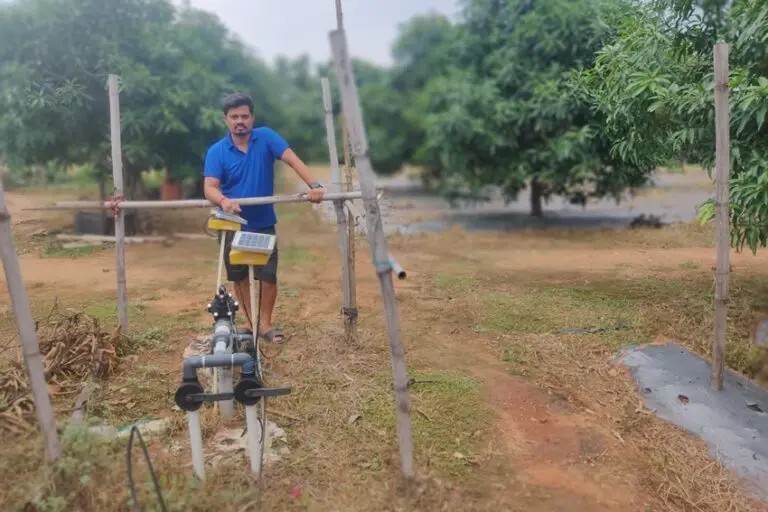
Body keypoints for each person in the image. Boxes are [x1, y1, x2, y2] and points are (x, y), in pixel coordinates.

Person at [203, 92, 325, 346]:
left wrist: (314, 185)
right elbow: (210, 188)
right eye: (234, 117)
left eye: (244, 116)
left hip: (263, 221)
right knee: (239, 277)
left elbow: (292, 159)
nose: (240, 121)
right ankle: (250, 322)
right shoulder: (217, 151)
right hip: (233, 223)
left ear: (252, 117)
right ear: (226, 120)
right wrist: (224, 201)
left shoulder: (267, 137)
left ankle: (266, 323)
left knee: (268, 276)